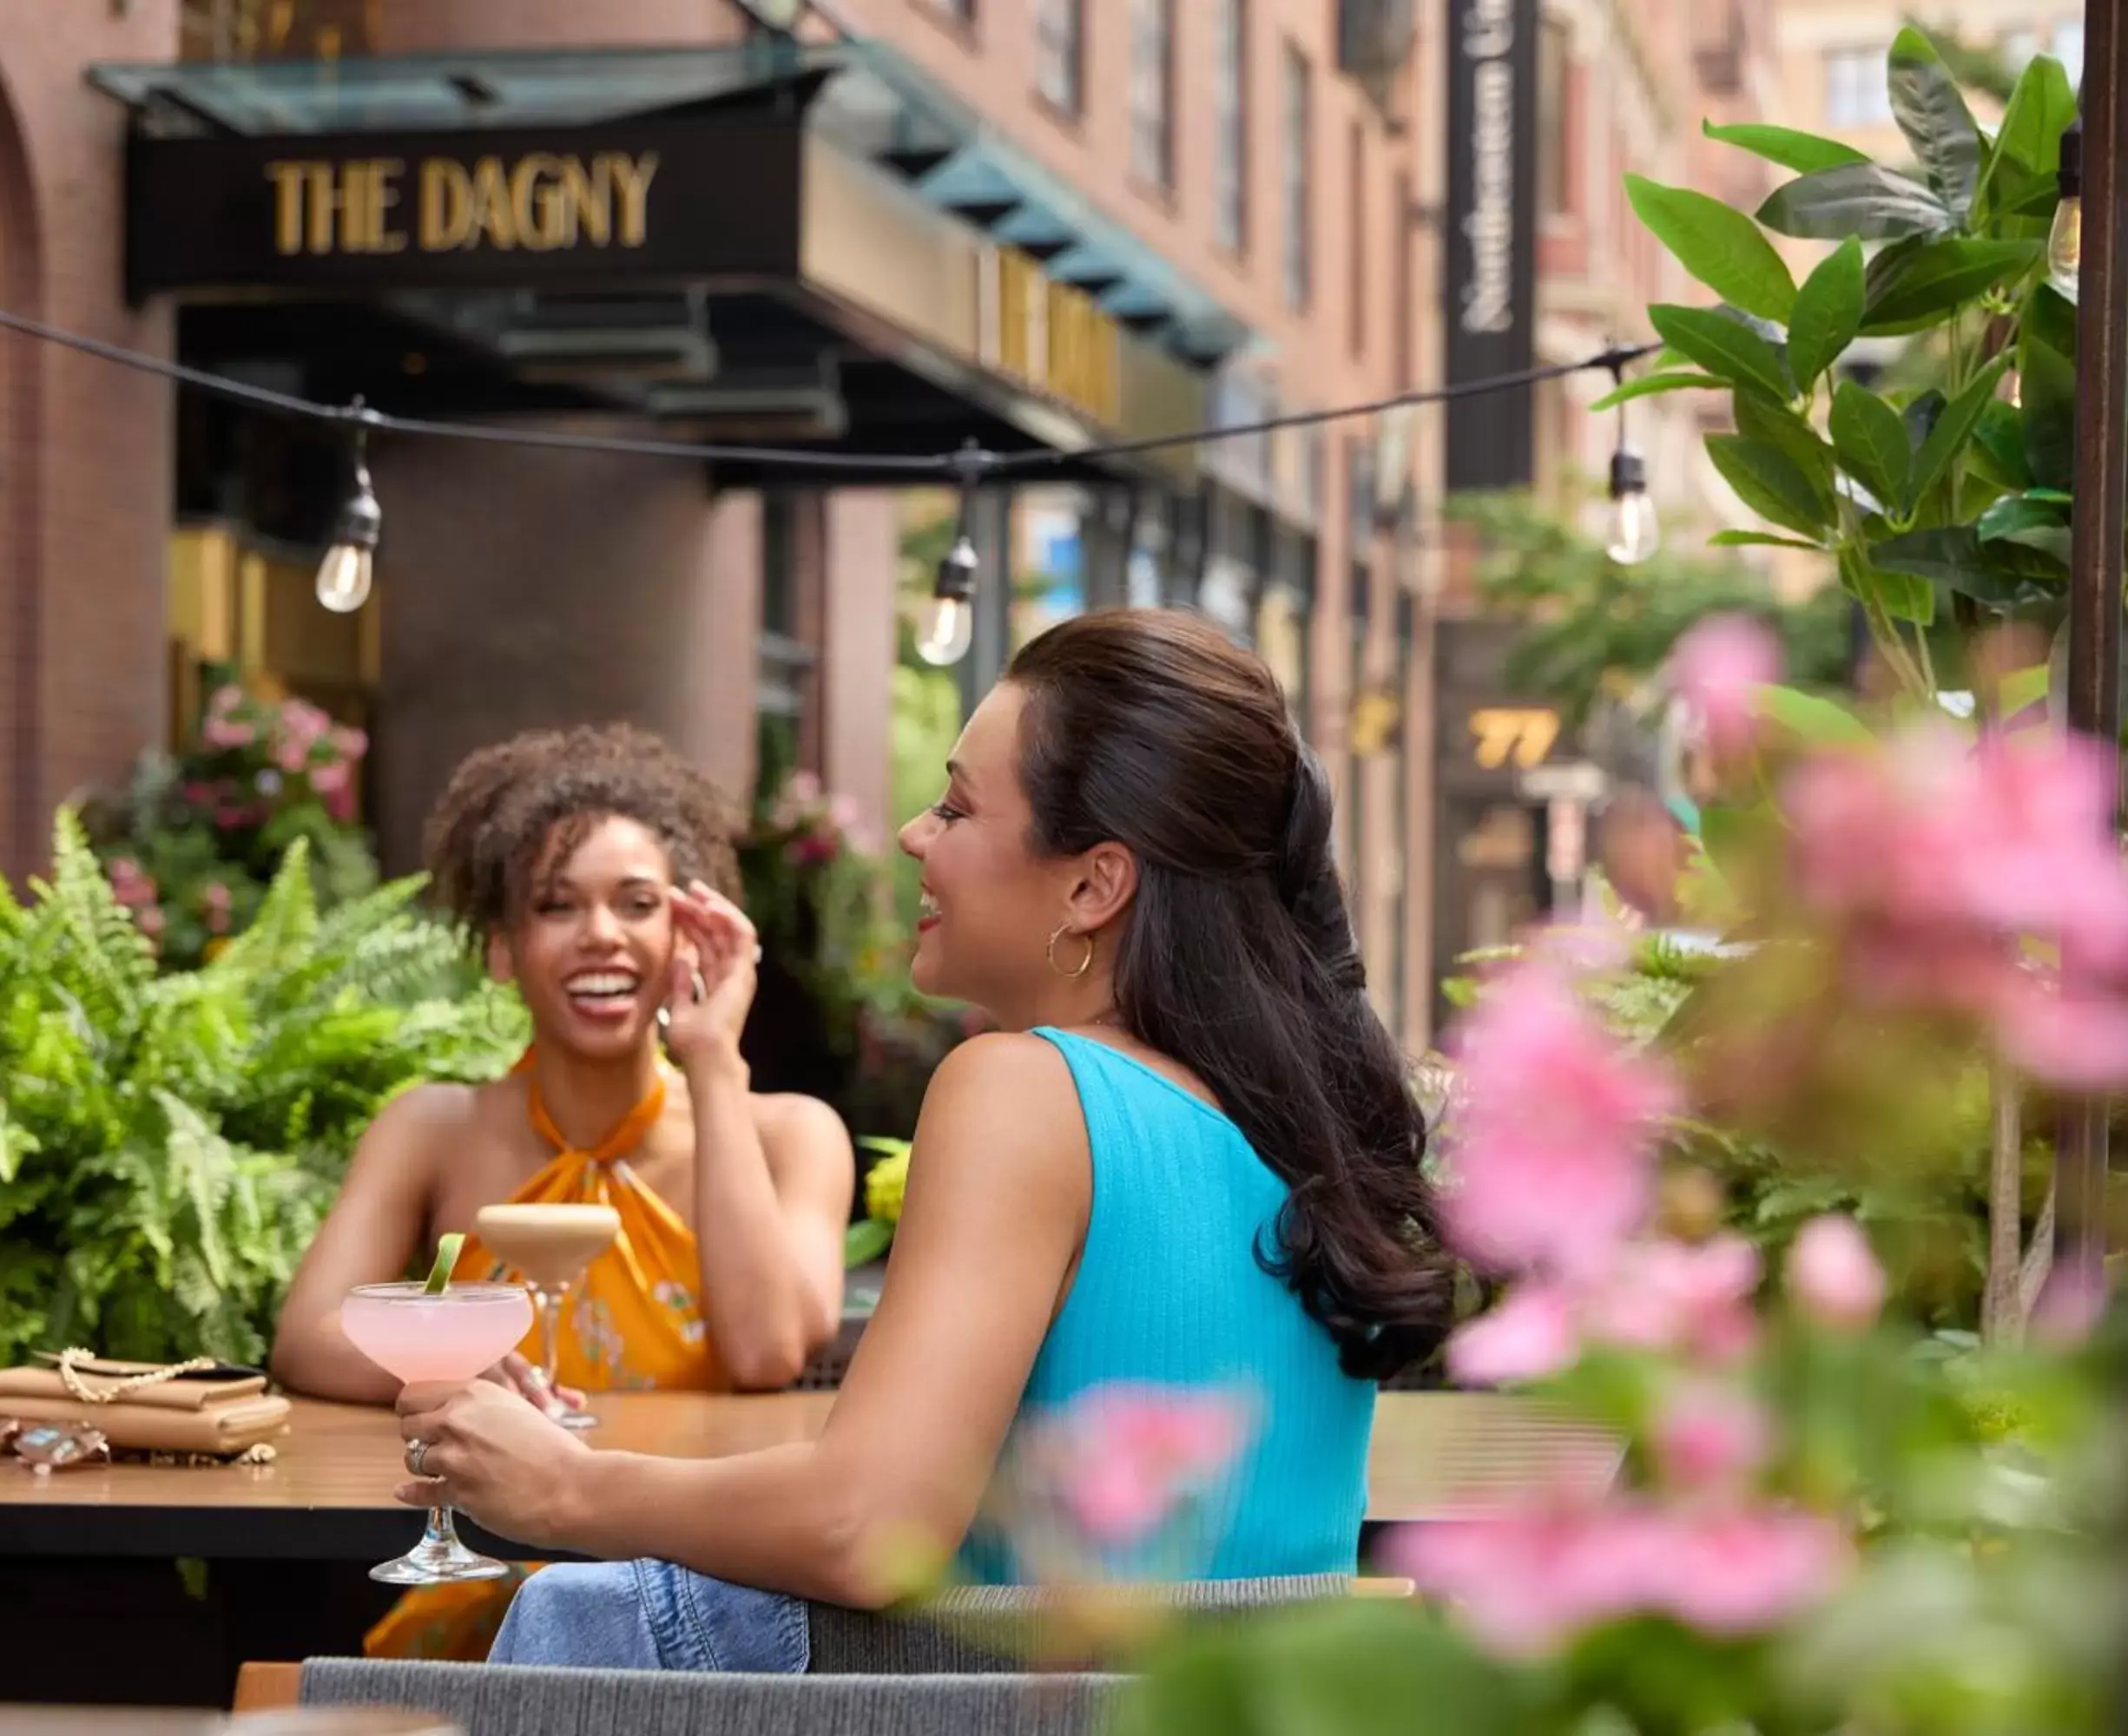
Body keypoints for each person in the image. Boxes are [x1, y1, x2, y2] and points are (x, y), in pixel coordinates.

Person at [391, 609, 1453, 1672]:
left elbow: (868, 1528)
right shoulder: (1288, 1123)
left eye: (955, 805)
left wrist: (564, 1485)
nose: (912, 833)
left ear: (1094, 884)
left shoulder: (1028, 1092)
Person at [269, 722, 856, 1657]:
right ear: (501, 947)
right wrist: (440, 1362)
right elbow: (307, 1335)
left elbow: (767, 1349)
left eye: (636, 903)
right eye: (555, 905)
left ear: (685, 935)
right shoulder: (432, 1127)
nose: (601, 936)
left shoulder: (791, 1134)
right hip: (483, 1566)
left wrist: (711, 1059)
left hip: (702, 1586)